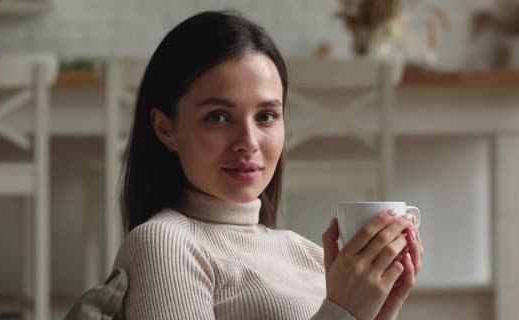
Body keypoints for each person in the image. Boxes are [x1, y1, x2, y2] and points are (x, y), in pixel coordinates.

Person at [114, 9, 423, 320]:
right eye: (218, 117)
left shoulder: (306, 254)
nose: (248, 141)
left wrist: (377, 313)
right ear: (166, 129)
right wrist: (344, 310)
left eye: (266, 117)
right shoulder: (163, 242)